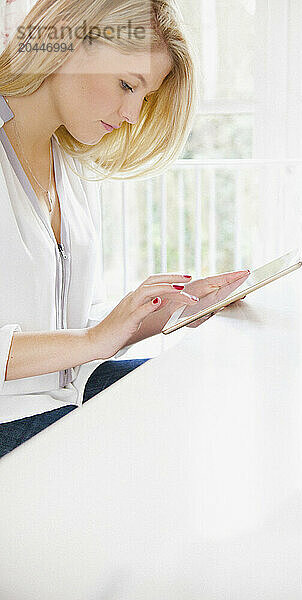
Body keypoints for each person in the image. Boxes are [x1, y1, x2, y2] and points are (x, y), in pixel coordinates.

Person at [0, 0, 249, 459]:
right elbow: (84, 341)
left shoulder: (70, 165)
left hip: (59, 404)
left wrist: (153, 314)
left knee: (199, 391)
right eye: (126, 84)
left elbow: (71, 329)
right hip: (9, 422)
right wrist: (96, 339)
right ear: (69, 43)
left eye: (144, 96)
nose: (133, 114)